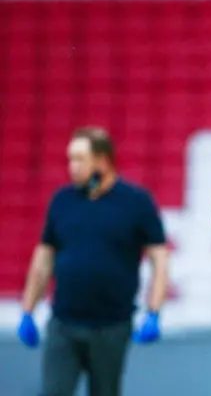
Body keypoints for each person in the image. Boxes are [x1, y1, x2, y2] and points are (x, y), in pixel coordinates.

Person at [17, 127, 170, 396]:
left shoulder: (136, 203)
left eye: (79, 159)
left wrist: (154, 310)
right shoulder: (62, 201)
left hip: (111, 326)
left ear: (102, 160)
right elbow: (43, 259)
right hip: (64, 323)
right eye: (70, 159)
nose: (72, 167)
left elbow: (159, 258)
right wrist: (28, 309)